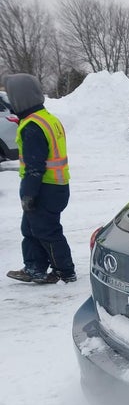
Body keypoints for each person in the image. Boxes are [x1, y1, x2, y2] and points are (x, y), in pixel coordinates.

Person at [4, 73, 76, 284]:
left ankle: (65, 271)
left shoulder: (33, 126)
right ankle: (34, 267)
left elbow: (35, 167)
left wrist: (28, 194)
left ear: (20, 97)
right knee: (30, 229)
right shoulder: (47, 118)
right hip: (56, 186)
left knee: (47, 231)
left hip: (45, 188)